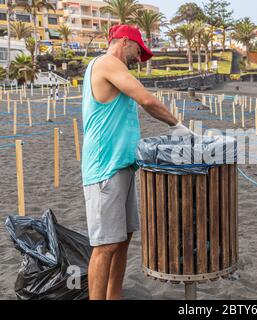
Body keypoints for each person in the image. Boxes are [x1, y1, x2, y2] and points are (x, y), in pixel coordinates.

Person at [81, 24, 192, 300]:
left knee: (122, 238)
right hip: (104, 168)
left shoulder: (117, 68)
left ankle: (113, 297)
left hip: (123, 166)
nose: (139, 57)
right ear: (124, 41)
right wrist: (177, 125)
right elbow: (146, 99)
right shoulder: (108, 63)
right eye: (138, 50)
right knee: (104, 245)